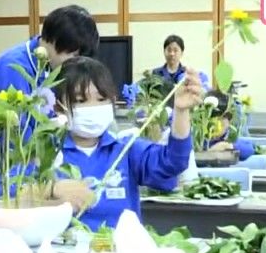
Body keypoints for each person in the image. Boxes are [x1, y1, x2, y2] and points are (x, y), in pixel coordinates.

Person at [45, 56, 199, 231]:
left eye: (101, 99)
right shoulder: (45, 153)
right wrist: (50, 190)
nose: (93, 107)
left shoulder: (127, 149)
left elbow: (173, 162)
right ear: (59, 107)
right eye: (80, 101)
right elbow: (11, 192)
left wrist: (181, 110)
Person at [0, 5, 101, 197]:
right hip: (2, 178)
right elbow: (20, 141)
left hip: (31, 177)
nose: (75, 63)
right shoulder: (13, 68)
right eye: (74, 55)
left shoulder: (50, 68)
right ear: (54, 41)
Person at [201, 89, 255, 161]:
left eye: (222, 118)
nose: (216, 124)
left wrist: (227, 146)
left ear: (229, 120)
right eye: (211, 118)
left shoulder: (229, 138)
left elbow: (249, 148)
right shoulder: (199, 140)